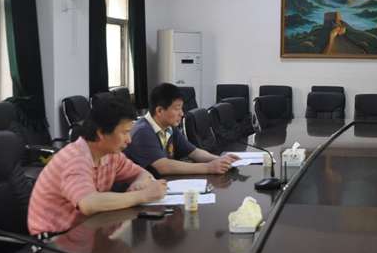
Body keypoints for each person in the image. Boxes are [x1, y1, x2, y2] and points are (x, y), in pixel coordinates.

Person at [28, 95, 167, 236]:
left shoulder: (111, 155)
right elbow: (89, 204)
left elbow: (142, 173)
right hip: (55, 238)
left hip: (88, 227)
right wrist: (142, 195)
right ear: (101, 133)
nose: (129, 140)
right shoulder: (75, 159)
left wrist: (139, 183)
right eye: (124, 133)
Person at [125, 83, 239, 176]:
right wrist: (209, 167)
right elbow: (163, 166)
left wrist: (220, 160)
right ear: (159, 111)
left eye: (181, 108)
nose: (182, 113)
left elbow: (194, 152)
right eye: (177, 108)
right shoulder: (143, 132)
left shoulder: (169, 127)